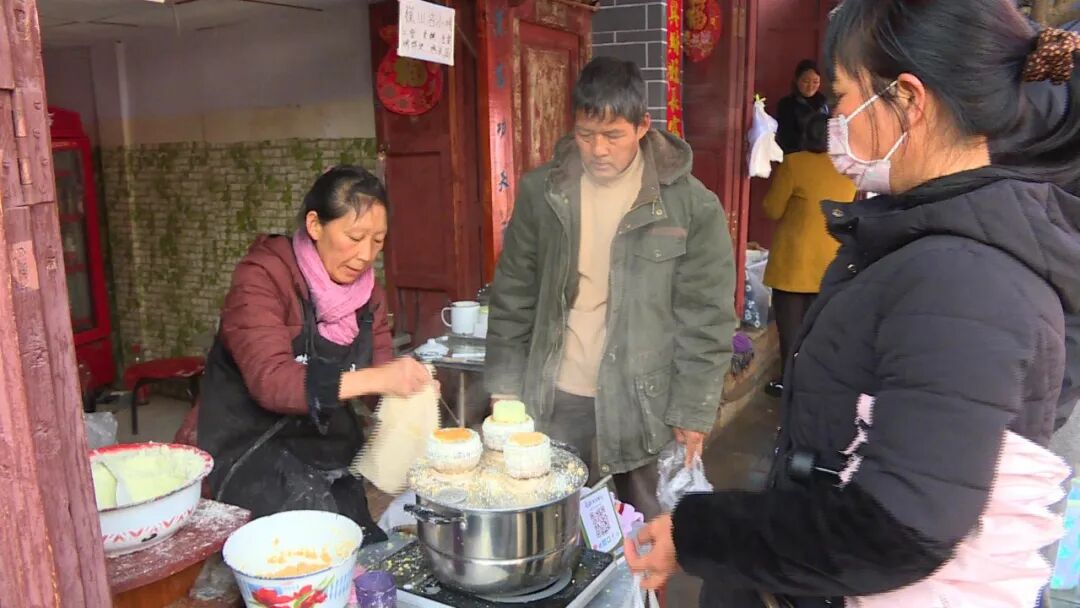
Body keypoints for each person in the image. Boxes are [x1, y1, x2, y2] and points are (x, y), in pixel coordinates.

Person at [626, 1, 1080, 607]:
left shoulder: (964, 281)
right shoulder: (928, 242)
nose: (834, 118)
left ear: (908, 99)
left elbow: (895, 530)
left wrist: (697, 534)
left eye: (841, 98)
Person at [485, 56, 736, 519]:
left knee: (644, 535)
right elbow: (513, 295)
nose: (598, 149)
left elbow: (707, 318)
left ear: (642, 127)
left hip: (643, 407)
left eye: (613, 135)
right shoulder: (544, 193)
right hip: (556, 397)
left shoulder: (690, 206)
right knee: (553, 528)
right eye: (586, 134)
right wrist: (504, 387)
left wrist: (693, 411)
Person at [198, 165, 431, 545]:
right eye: (354, 237)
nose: (366, 255)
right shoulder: (262, 278)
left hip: (325, 445)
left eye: (378, 241)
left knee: (363, 543)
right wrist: (380, 378)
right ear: (315, 225)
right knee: (314, 547)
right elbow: (272, 382)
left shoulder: (368, 294)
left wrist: (413, 393)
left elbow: (379, 379)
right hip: (251, 448)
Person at [762, 114, 855, 397]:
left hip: (794, 263)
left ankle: (789, 383)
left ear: (806, 134)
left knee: (791, 330)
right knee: (818, 328)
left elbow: (772, 209)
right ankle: (815, 382)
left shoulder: (794, 163)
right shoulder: (847, 168)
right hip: (830, 261)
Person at [775, 59, 830, 154]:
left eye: (815, 82)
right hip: (797, 156)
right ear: (797, 80)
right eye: (806, 81)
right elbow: (786, 138)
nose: (810, 86)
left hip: (822, 157)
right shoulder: (786, 104)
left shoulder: (823, 103)